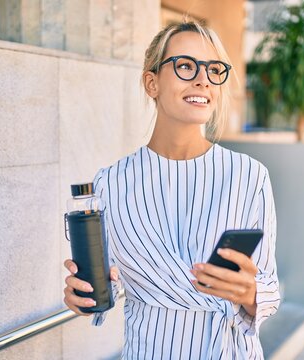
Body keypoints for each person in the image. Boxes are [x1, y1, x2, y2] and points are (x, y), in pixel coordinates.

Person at [63, 21, 280, 359]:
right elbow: (110, 282)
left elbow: (268, 288)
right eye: (185, 66)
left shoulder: (249, 176)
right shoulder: (111, 183)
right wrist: (85, 295)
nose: (203, 79)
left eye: (213, 69)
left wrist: (250, 292)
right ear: (152, 82)